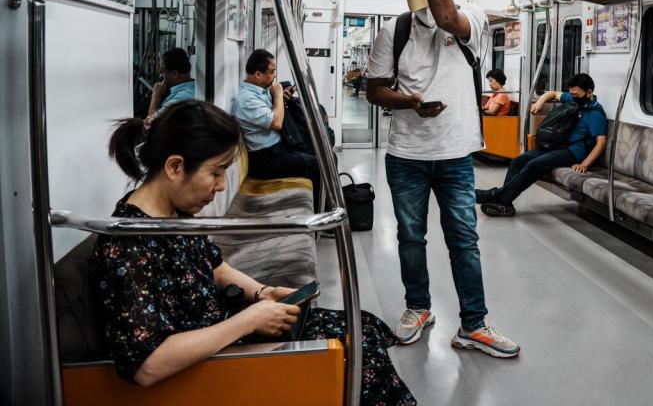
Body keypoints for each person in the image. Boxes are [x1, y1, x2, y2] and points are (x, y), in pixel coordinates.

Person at [91, 101, 415, 405]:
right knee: (362, 348)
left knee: (366, 325)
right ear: (175, 166)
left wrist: (263, 292)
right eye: (216, 172)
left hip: (227, 335)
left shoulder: (172, 218)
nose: (220, 186)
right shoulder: (126, 246)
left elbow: (215, 268)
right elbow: (147, 364)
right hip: (214, 367)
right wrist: (248, 320)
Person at [364, 0, 520, 359]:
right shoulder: (392, 33)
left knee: (463, 239)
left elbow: (447, 15)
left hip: (454, 155)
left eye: (430, 2)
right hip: (406, 154)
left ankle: (473, 324)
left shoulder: (468, 18)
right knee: (411, 238)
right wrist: (409, 102)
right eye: (421, 7)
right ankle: (419, 308)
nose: (427, 16)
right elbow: (375, 91)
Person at [477, 73, 607, 218]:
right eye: (572, 94)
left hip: (573, 151)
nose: (573, 97)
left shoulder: (596, 113)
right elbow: (553, 93)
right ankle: (505, 203)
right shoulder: (575, 99)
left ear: (589, 92)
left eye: (577, 94)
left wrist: (585, 164)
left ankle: (499, 196)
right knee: (518, 161)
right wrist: (540, 101)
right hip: (557, 145)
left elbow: (600, 143)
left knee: (535, 164)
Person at [233, 49, 323, 209]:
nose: (274, 76)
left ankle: (325, 207)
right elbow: (276, 122)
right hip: (265, 160)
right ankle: (319, 214)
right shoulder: (247, 99)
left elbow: (274, 111)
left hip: (279, 149)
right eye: (272, 72)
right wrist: (279, 96)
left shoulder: (261, 92)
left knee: (319, 153)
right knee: (317, 165)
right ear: (258, 74)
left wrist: (280, 98)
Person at [147, 48, 195, 119]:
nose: (161, 77)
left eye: (163, 72)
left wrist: (156, 96)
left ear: (175, 74)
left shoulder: (180, 98)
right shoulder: (194, 87)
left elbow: (151, 123)